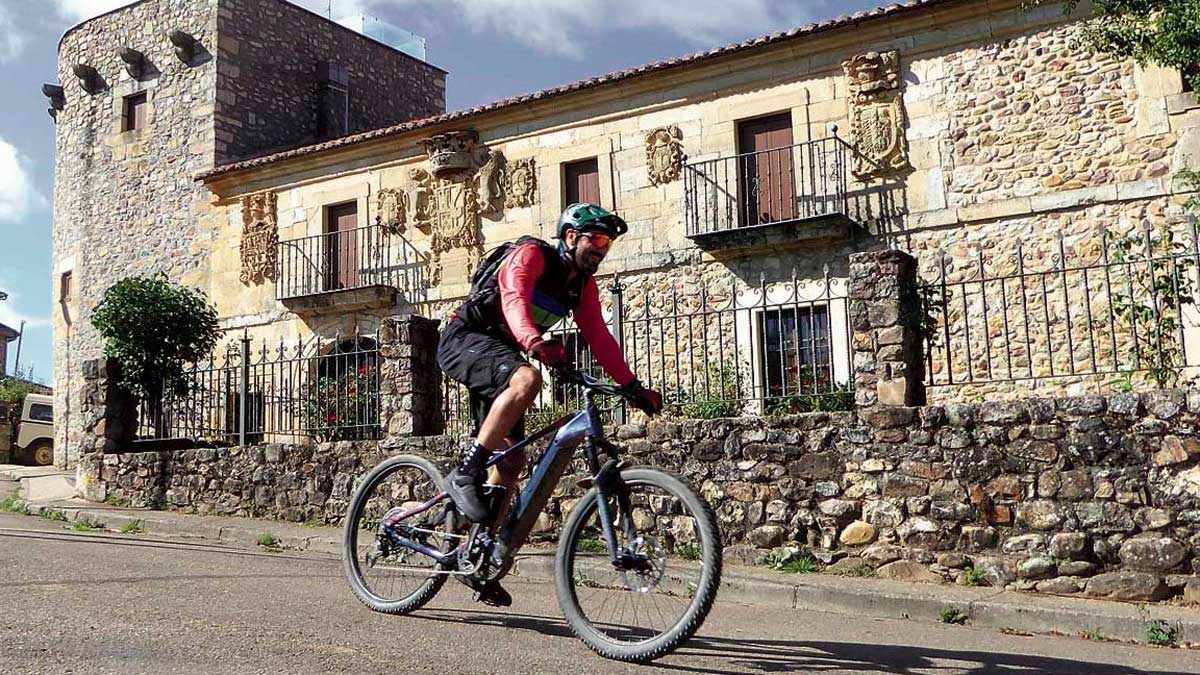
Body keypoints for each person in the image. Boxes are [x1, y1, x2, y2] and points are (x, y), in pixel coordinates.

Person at [435, 203, 663, 605]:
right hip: (466, 338)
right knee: (527, 378)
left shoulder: (582, 286)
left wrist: (632, 385)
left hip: (506, 352)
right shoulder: (532, 255)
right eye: (595, 239)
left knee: (510, 462)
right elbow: (514, 300)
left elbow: (599, 338)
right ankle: (466, 473)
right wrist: (536, 344)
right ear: (571, 236)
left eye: (607, 242)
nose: (602, 248)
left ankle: (481, 557)